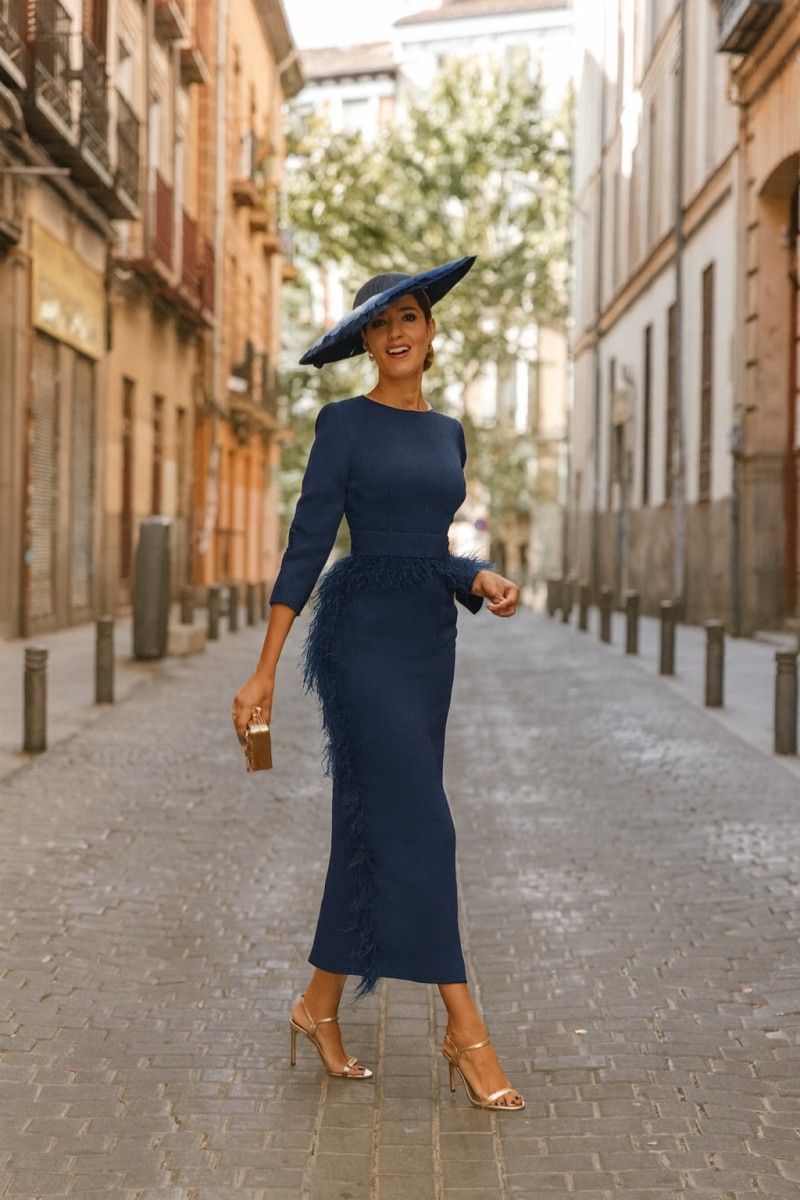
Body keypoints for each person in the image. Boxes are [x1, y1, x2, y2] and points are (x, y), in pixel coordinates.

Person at [232, 256, 524, 1110]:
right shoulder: (342, 424)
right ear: (367, 341)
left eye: (410, 318)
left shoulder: (448, 435)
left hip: (428, 643)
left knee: (377, 821)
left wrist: (478, 579)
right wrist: (263, 671)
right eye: (380, 323)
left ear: (431, 333)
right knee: (425, 828)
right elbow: (308, 544)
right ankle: (465, 1031)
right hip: (360, 643)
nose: (396, 333)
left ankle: (318, 1005)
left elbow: (429, 549)